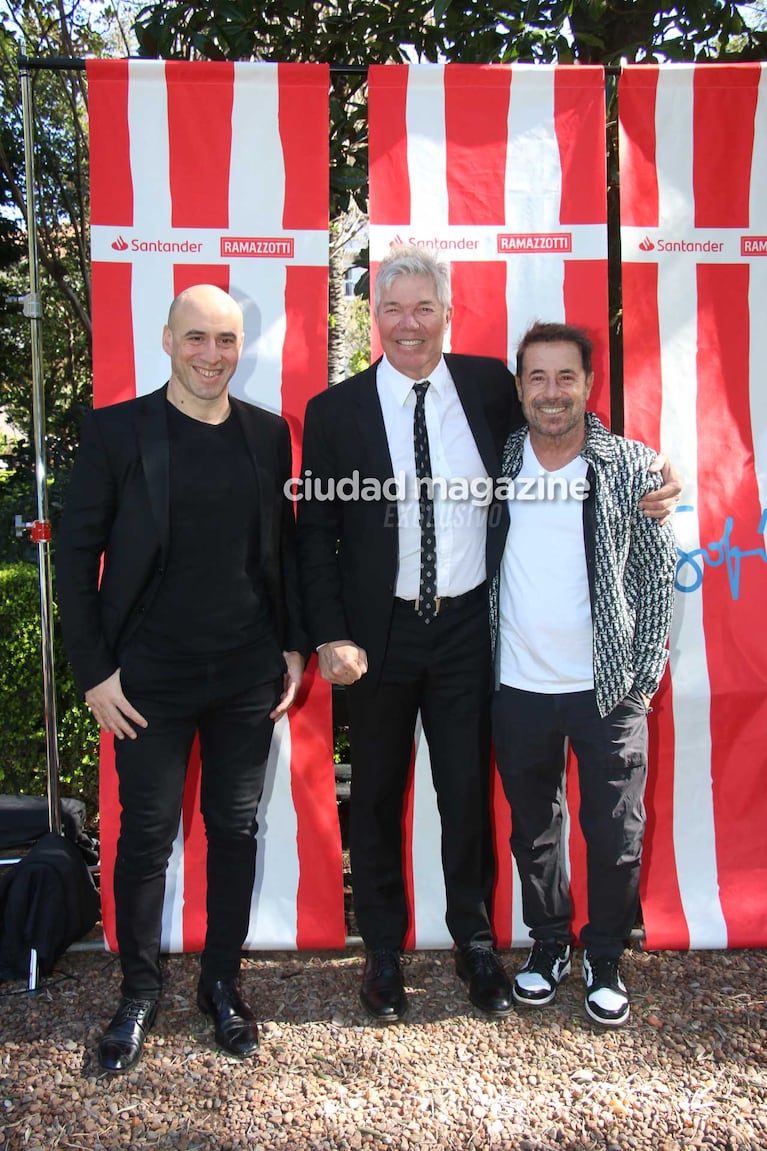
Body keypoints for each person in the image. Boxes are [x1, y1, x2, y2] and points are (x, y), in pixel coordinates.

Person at [297, 247, 678, 1022]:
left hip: (470, 629)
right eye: (394, 308)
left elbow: (566, 423)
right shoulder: (335, 411)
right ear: (375, 315)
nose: (408, 324)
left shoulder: (483, 387)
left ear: (446, 314)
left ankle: (473, 942)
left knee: (466, 794)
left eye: (423, 308)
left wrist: (648, 472)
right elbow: (314, 534)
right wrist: (329, 634)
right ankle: (380, 952)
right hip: (374, 640)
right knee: (372, 796)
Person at [56, 284, 307, 1071]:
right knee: (147, 839)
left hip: (245, 673)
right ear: (166, 340)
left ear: (241, 347)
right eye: (195, 337)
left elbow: (285, 548)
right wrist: (94, 671)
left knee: (235, 831)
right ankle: (137, 990)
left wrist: (294, 645)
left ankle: (221, 985)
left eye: (224, 340)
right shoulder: (116, 432)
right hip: (147, 679)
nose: (210, 354)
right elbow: (73, 555)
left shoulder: (269, 436)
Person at [489, 321, 677, 1027]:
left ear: (588, 384)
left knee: (615, 830)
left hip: (607, 690)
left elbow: (657, 575)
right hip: (517, 685)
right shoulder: (498, 460)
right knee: (534, 827)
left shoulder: (628, 466)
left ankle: (603, 954)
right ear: (518, 388)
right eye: (536, 377)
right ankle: (548, 944)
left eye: (564, 376)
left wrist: (642, 677)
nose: (551, 392)